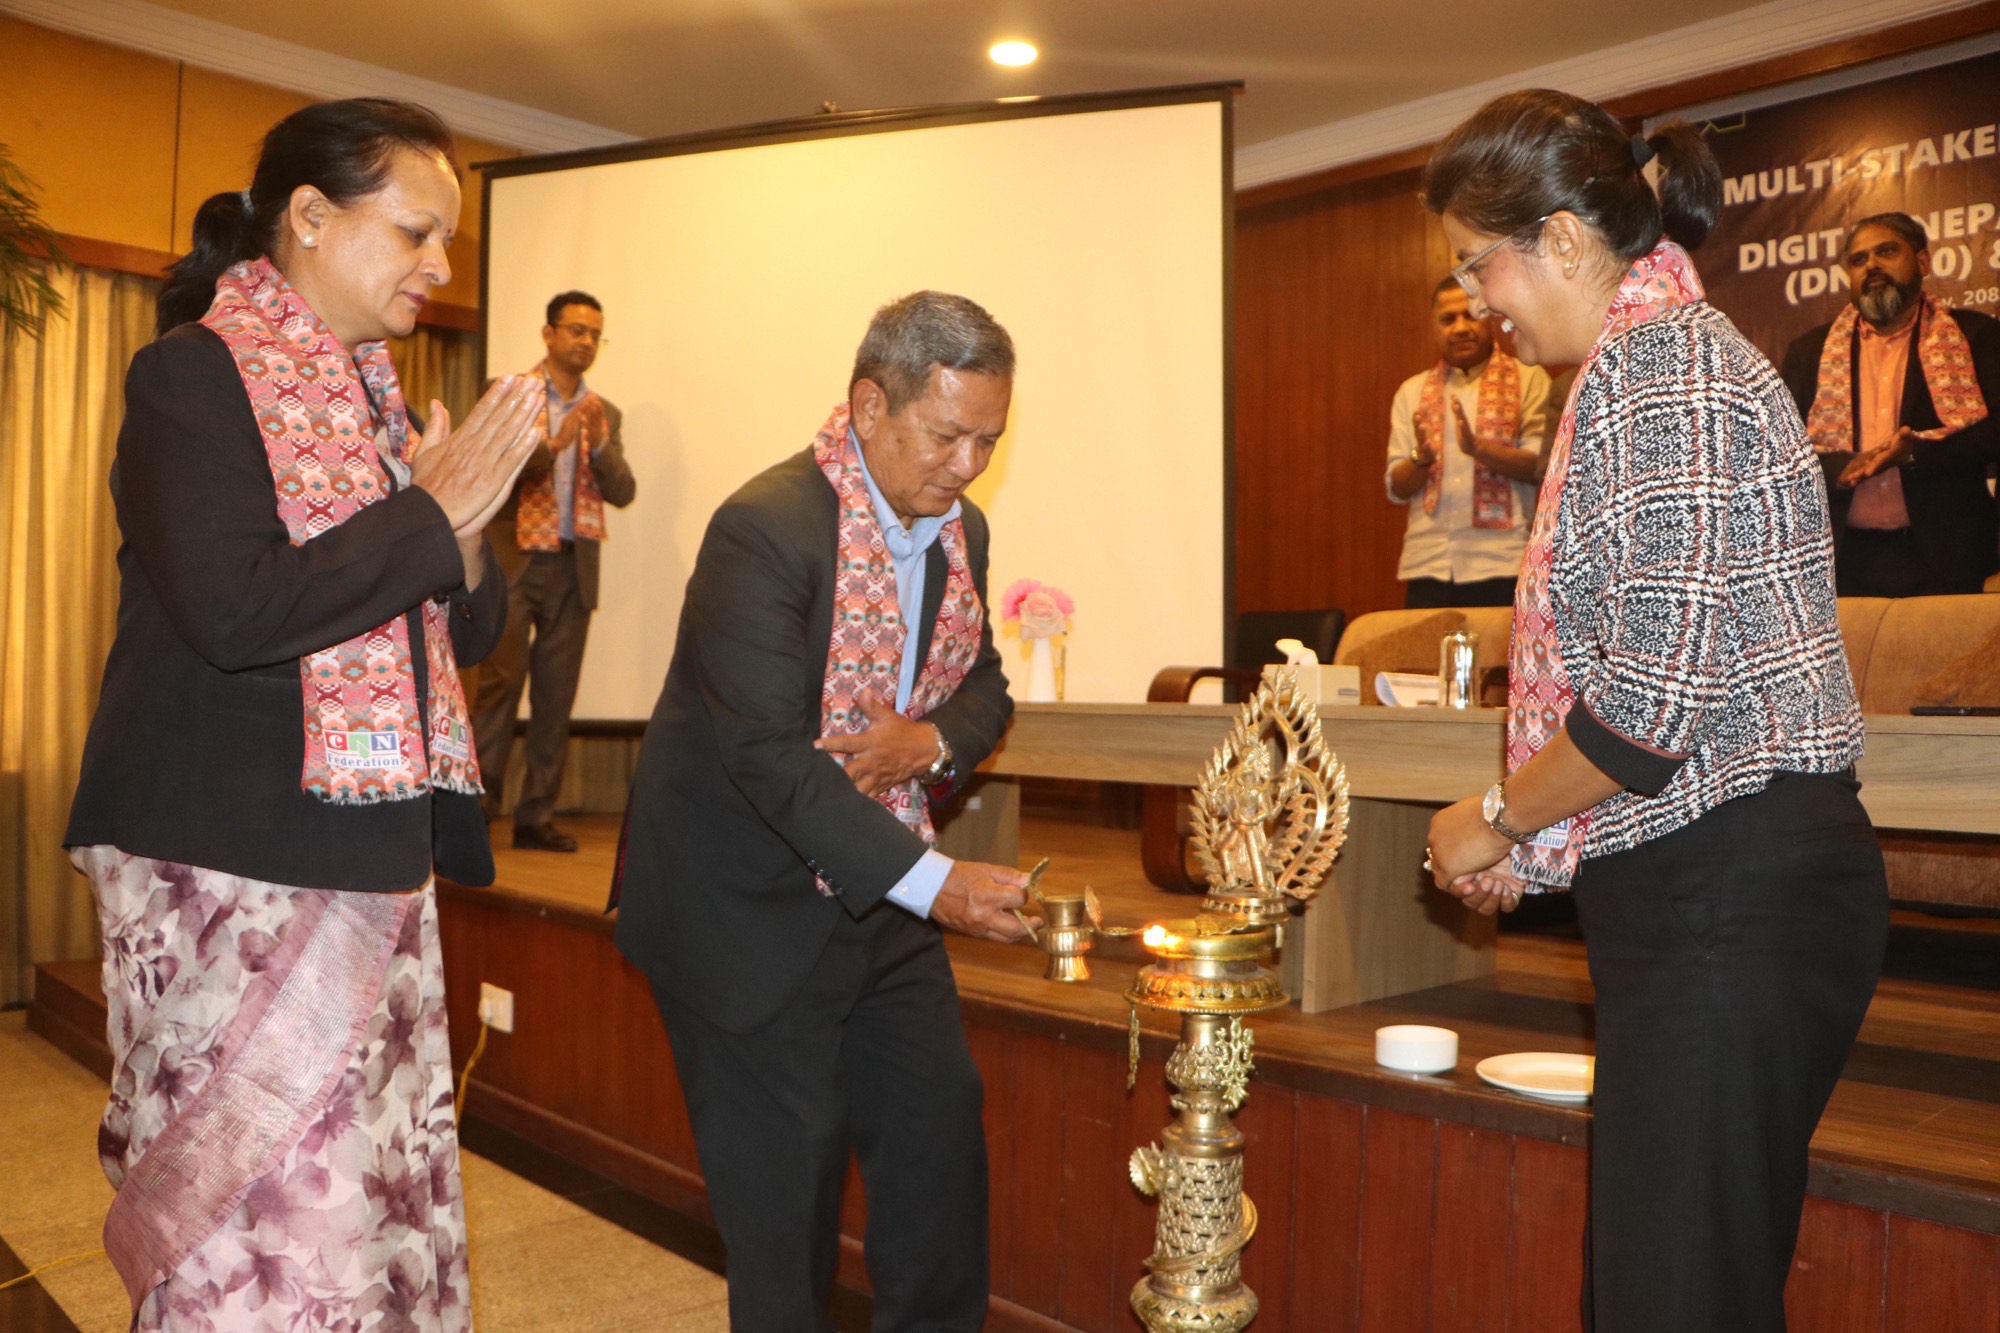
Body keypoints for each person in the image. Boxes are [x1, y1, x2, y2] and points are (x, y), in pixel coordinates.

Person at [64, 98, 544, 1330]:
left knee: (364, 1206)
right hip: (228, 854)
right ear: (312, 217)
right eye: (416, 233)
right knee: (261, 1222)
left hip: (368, 852)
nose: (439, 267)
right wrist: (428, 514)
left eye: (448, 242)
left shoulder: (380, 405)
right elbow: (236, 610)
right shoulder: (193, 376)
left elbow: (463, 638)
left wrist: (461, 532)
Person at [1419, 91, 1887, 1332]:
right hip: (1713, 890)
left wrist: (1493, 818)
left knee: (1671, 1298)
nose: (1475, 300)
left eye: (1476, 262)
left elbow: (1646, 706)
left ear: (1563, 238)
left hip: (1726, 892)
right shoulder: (1649, 359)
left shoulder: (1659, 366)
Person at [612, 291, 1037, 1332]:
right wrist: (939, 885)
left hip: (877, 885)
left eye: (988, 440)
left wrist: (927, 742)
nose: (968, 465)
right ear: (868, 403)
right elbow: (767, 759)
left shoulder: (960, 530)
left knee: (938, 1158)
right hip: (743, 906)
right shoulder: (765, 527)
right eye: (947, 434)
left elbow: (983, 684)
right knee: (785, 1210)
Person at [472, 291, 637, 851]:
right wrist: (555, 444)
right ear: (549, 334)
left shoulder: (604, 411)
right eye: (576, 330)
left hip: (573, 566)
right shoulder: (508, 393)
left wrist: (600, 445)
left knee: (555, 698)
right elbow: (492, 469)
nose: (586, 342)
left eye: (595, 334)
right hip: (514, 561)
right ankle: (478, 811)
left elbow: (623, 491)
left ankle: (535, 817)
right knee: (500, 686)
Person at [1779, 212, 2000, 597]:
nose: (1872, 266)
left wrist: (1913, 454)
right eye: (1859, 260)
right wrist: (1841, 467)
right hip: (1843, 562)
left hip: (1950, 557)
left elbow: (1994, 433)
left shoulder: (1975, 336)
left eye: (1886, 252)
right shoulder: (1809, 352)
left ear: (1922, 262)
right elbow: (1783, 455)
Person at [1385, 276, 1554, 607]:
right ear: (1435, 327)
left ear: (1488, 317)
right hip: (1428, 564)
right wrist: (1421, 459)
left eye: (1470, 316)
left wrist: (1479, 450)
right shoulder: (1411, 391)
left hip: (1503, 563)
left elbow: (1540, 467)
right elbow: (1396, 488)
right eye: (1448, 319)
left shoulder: (1529, 378)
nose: (1460, 328)